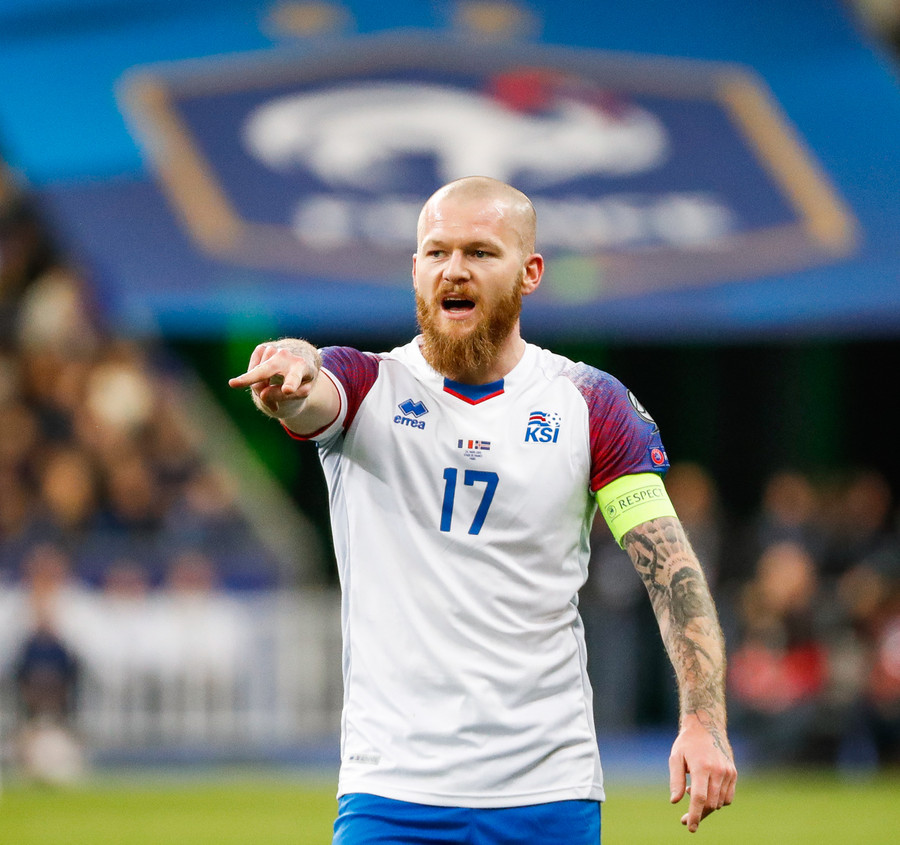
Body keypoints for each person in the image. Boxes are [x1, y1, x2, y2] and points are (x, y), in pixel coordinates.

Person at [229, 176, 736, 843]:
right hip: (392, 789)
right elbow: (311, 387)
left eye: (480, 252)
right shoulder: (367, 385)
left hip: (547, 789)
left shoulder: (589, 402)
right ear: (415, 269)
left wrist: (703, 720)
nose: (454, 269)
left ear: (530, 272)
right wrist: (291, 369)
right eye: (437, 252)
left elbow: (671, 572)